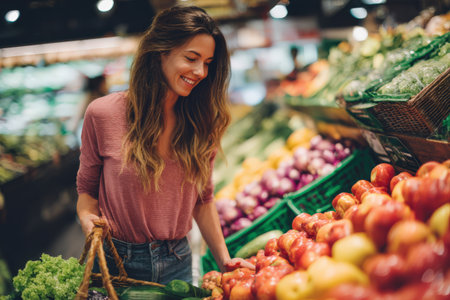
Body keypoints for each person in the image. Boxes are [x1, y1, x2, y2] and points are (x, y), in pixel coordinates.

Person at [76, 5, 253, 285]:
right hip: (115, 264)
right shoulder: (102, 114)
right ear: (161, 52)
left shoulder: (202, 123)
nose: (201, 72)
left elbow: (203, 200)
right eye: (192, 58)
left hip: (177, 263)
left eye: (208, 62)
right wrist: (88, 219)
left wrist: (225, 261)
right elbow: (87, 192)